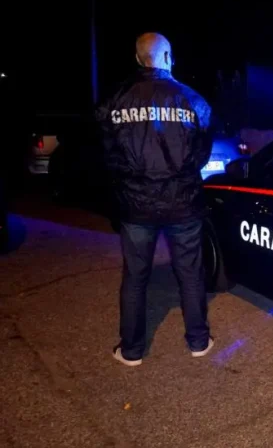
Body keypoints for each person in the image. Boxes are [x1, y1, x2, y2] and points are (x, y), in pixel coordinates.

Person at [96, 32, 215, 366]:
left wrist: (132, 179)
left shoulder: (114, 101)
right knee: (190, 274)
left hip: (136, 206)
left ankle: (132, 351)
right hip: (183, 203)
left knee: (135, 278)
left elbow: (108, 155)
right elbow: (202, 154)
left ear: (138, 59)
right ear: (168, 57)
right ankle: (198, 341)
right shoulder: (193, 100)